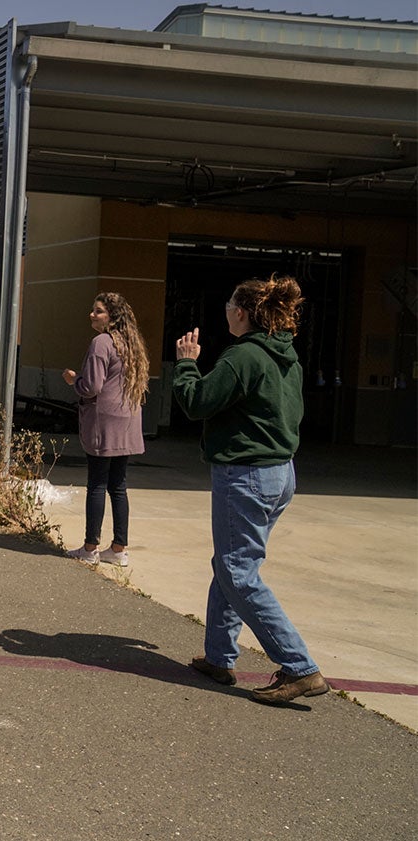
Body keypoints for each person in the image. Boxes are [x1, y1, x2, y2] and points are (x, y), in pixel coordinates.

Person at [173, 274, 327, 705]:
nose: (225, 310)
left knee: (238, 571)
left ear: (241, 312)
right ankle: (219, 657)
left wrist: (186, 362)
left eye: (228, 304)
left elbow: (197, 402)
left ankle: (299, 667)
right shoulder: (286, 357)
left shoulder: (242, 356)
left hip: (246, 475)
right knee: (231, 564)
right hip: (280, 474)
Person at [61, 293, 148, 567]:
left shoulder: (102, 342)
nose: (92, 315)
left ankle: (90, 548)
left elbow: (92, 387)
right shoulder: (131, 343)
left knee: (97, 483)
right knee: (118, 485)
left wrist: (75, 380)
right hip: (128, 419)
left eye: (98, 311)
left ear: (112, 316)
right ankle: (119, 549)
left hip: (104, 420)